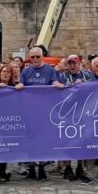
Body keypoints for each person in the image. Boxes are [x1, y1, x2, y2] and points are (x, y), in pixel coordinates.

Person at [16, 47, 63, 181]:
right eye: (33, 57)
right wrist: (19, 85)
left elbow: (53, 82)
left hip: (45, 112)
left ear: (42, 57)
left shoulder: (50, 70)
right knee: (30, 140)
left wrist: (57, 84)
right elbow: (21, 84)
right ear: (30, 58)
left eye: (38, 56)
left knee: (43, 140)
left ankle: (42, 168)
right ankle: (31, 168)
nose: (35, 59)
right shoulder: (26, 71)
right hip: (29, 112)